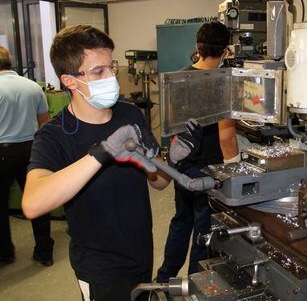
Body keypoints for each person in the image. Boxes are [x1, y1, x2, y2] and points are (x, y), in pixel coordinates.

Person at [21, 25, 198, 301]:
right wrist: (101, 153)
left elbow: (159, 183)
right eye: (98, 72)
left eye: (111, 67)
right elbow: (32, 204)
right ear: (69, 81)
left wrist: (169, 163)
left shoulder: (129, 114)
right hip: (99, 266)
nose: (111, 77)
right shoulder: (55, 135)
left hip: (142, 250)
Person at [156, 21, 239, 283]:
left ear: (197, 47)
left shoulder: (178, 79)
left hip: (182, 167)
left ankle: (165, 279)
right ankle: (195, 284)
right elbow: (226, 139)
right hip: (208, 172)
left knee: (181, 222)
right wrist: (235, 170)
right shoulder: (222, 85)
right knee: (204, 229)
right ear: (225, 51)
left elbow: (171, 128)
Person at [0, 46, 54, 266]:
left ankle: (5, 253)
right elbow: (44, 121)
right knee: (38, 201)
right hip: (32, 149)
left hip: (2, 151)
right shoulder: (33, 87)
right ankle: (44, 252)